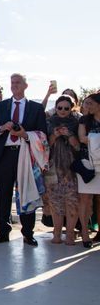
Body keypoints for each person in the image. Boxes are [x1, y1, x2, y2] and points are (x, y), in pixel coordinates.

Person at [0, 73, 48, 247]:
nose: (14, 85)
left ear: (25, 85)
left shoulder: (36, 108)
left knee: (27, 193)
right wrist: (2, 128)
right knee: (3, 194)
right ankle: (3, 231)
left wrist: (24, 134)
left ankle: (28, 233)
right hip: (5, 155)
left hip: (25, 154)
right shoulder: (1, 106)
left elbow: (43, 134)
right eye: (12, 82)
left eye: (17, 82)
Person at [45, 95, 80, 245]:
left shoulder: (77, 122)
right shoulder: (50, 122)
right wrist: (55, 134)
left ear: (71, 108)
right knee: (55, 202)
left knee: (72, 201)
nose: (63, 111)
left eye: (66, 108)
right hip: (53, 167)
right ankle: (57, 233)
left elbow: (79, 146)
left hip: (72, 168)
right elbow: (45, 144)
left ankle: (70, 233)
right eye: (60, 108)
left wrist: (70, 135)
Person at [77, 93, 100, 247]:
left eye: (90, 103)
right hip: (87, 163)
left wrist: (93, 138)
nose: (87, 106)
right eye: (87, 103)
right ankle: (85, 233)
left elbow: (88, 138)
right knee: (85, 199)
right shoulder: (84, 120)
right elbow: (82, 138)